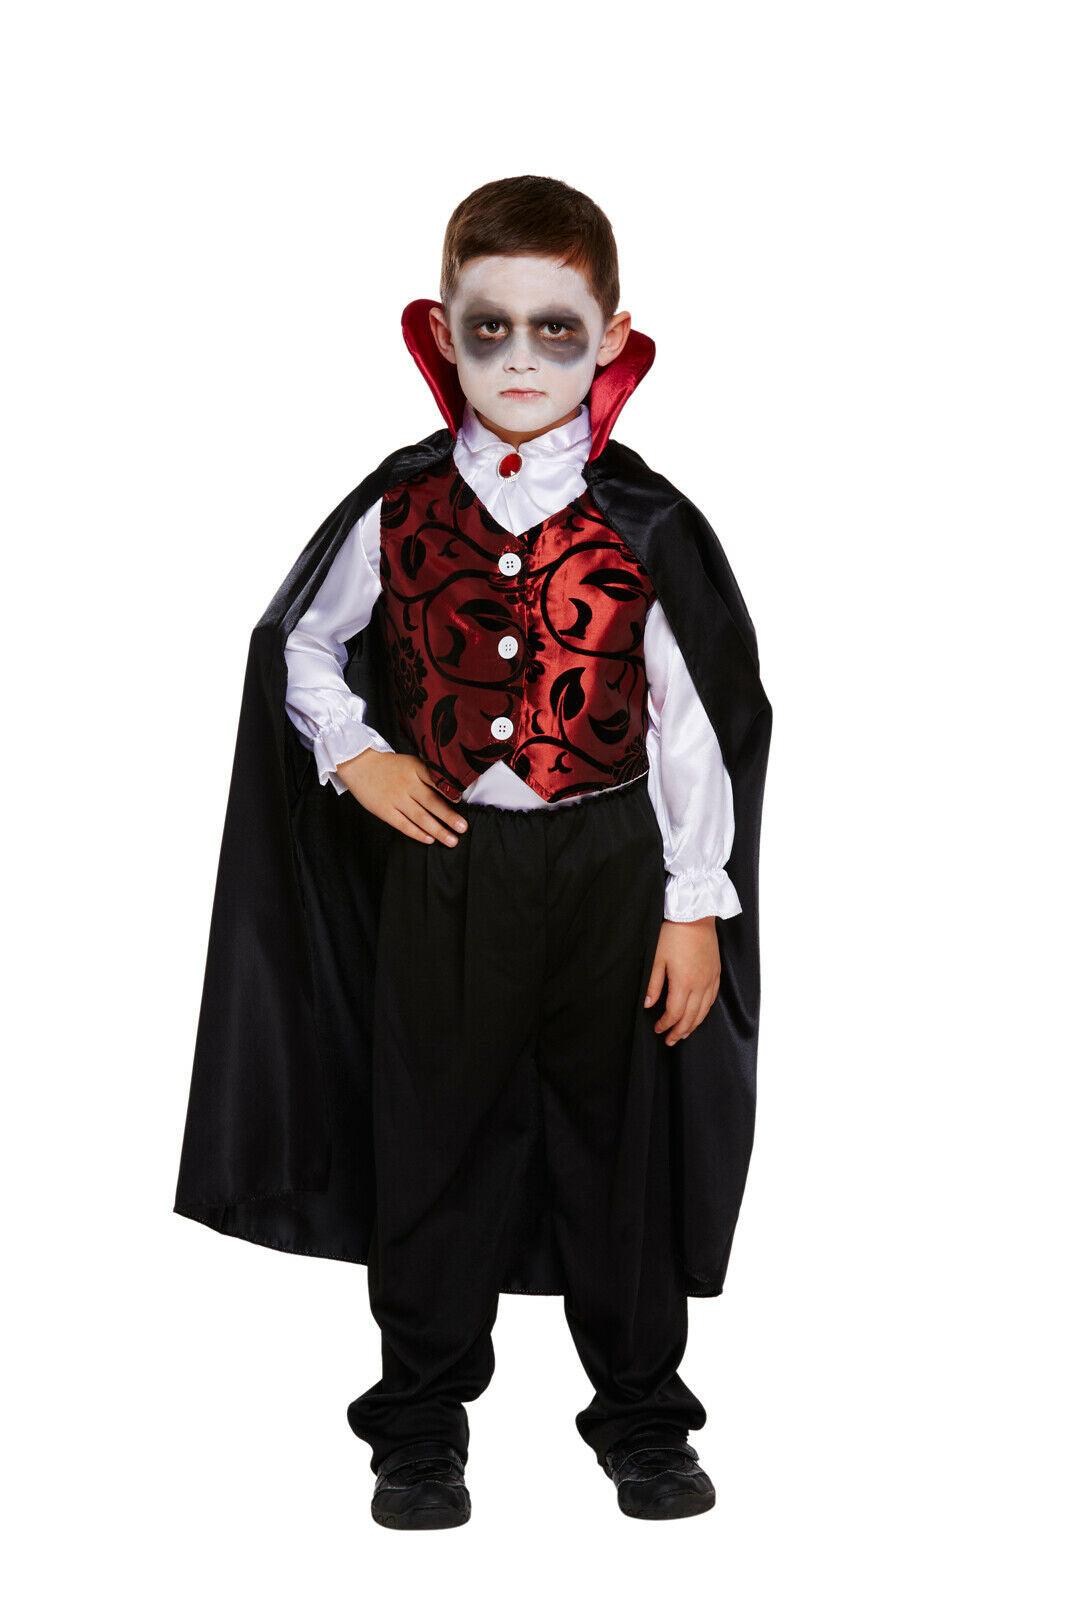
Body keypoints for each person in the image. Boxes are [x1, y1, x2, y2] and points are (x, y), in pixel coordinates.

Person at [174, 174, 772, 1529]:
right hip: (448, 867)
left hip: (613, 866)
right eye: (489, 327)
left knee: (617, 1141)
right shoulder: (397, 507)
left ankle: (641, 1415)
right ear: (439, 333)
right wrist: (356, 754)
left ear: (613, 339)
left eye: (556, 329)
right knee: (433, 1131)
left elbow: (694, 725)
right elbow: (299, 645)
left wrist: (693, 905)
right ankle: (420, 1422)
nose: (520, 358)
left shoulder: (645, 523)